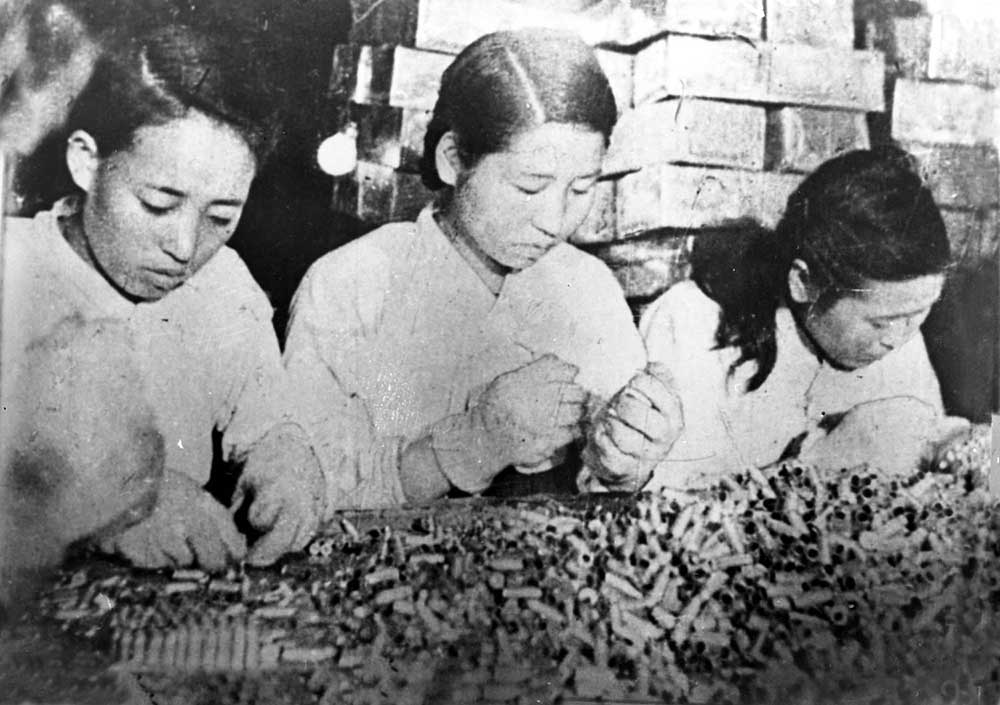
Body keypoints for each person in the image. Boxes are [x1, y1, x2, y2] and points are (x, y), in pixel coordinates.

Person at [284, 28, 681, 508]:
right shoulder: (349, 285)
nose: (554, 221)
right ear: (453, 160)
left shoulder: (588, 287)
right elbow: (299, 498)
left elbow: (617, 500)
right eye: (529, 187)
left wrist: (623, 463)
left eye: (580, 189)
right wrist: (474, 444)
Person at [0, 23, 325, 569]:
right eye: (158, 204)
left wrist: (286, 459)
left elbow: (270, 420)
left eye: (221, 217)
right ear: (86, 161)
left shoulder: (222, 283)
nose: (185, 247)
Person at [639, 146, 964, 491]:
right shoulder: (692, 321)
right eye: (880, 323)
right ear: (803, 282)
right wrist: (818, 463)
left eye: (920, 313)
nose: (896, 340)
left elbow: (930, 466)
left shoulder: (901, 332)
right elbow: (656, 498)